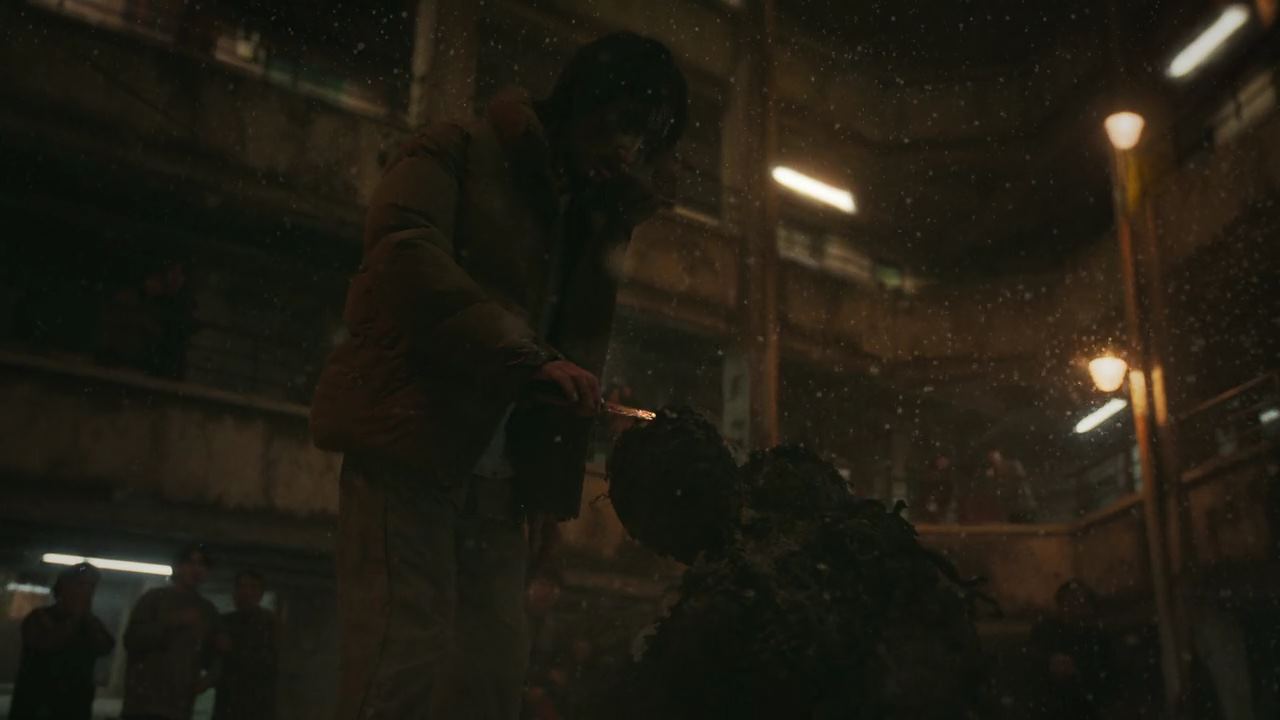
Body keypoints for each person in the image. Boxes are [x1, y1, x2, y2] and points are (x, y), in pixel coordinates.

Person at [309, 30, 687, 720]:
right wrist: (529, 357)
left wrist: (547, 491)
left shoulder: (592, 217)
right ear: (584, 102)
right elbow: (403, 260)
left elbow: (570, 350)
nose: (629, 150)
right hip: (412, 448)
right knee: (400, 667)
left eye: (648, 137)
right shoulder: (455, 151)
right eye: (626, 124)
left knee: (490, 680)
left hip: (503, 486)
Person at [121, 543, 220, 720]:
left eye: (202, 564)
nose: (196, 569)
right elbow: (132, 640)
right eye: (190, 563)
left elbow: (212, 654)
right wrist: (173, 622)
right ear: (177, 567)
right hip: (143, 704)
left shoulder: (207, 610)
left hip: (179, 706)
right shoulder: (154, 598)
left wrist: (209, 679)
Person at [9, 562, 115, 720]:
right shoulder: (39, 617)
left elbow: (106, 647)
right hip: (37, 705)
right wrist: (75, 617)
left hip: (75, 706)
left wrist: (86, 618)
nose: (86, 591)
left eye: (91, 586)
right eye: (80, 585)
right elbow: (48, 645)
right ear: (64, 588)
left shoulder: (90, 623)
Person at [1029, 579, 1113, 720]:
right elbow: (1031, 661)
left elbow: (1106, 678)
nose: (1075, 610)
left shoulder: (1098, 638)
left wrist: (1078, 672)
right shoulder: (1045, 631)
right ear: (1059, 607)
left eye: (1081, 603)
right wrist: (1049, 663)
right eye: (1069, 604)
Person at [212, 570, 278, 720]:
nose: (246, 592)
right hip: (228, 704)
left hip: (257, 705)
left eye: (253, 587)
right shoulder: (224, 623)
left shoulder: (270, 623)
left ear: (260, 594)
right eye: (242, 587)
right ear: (235, 592)